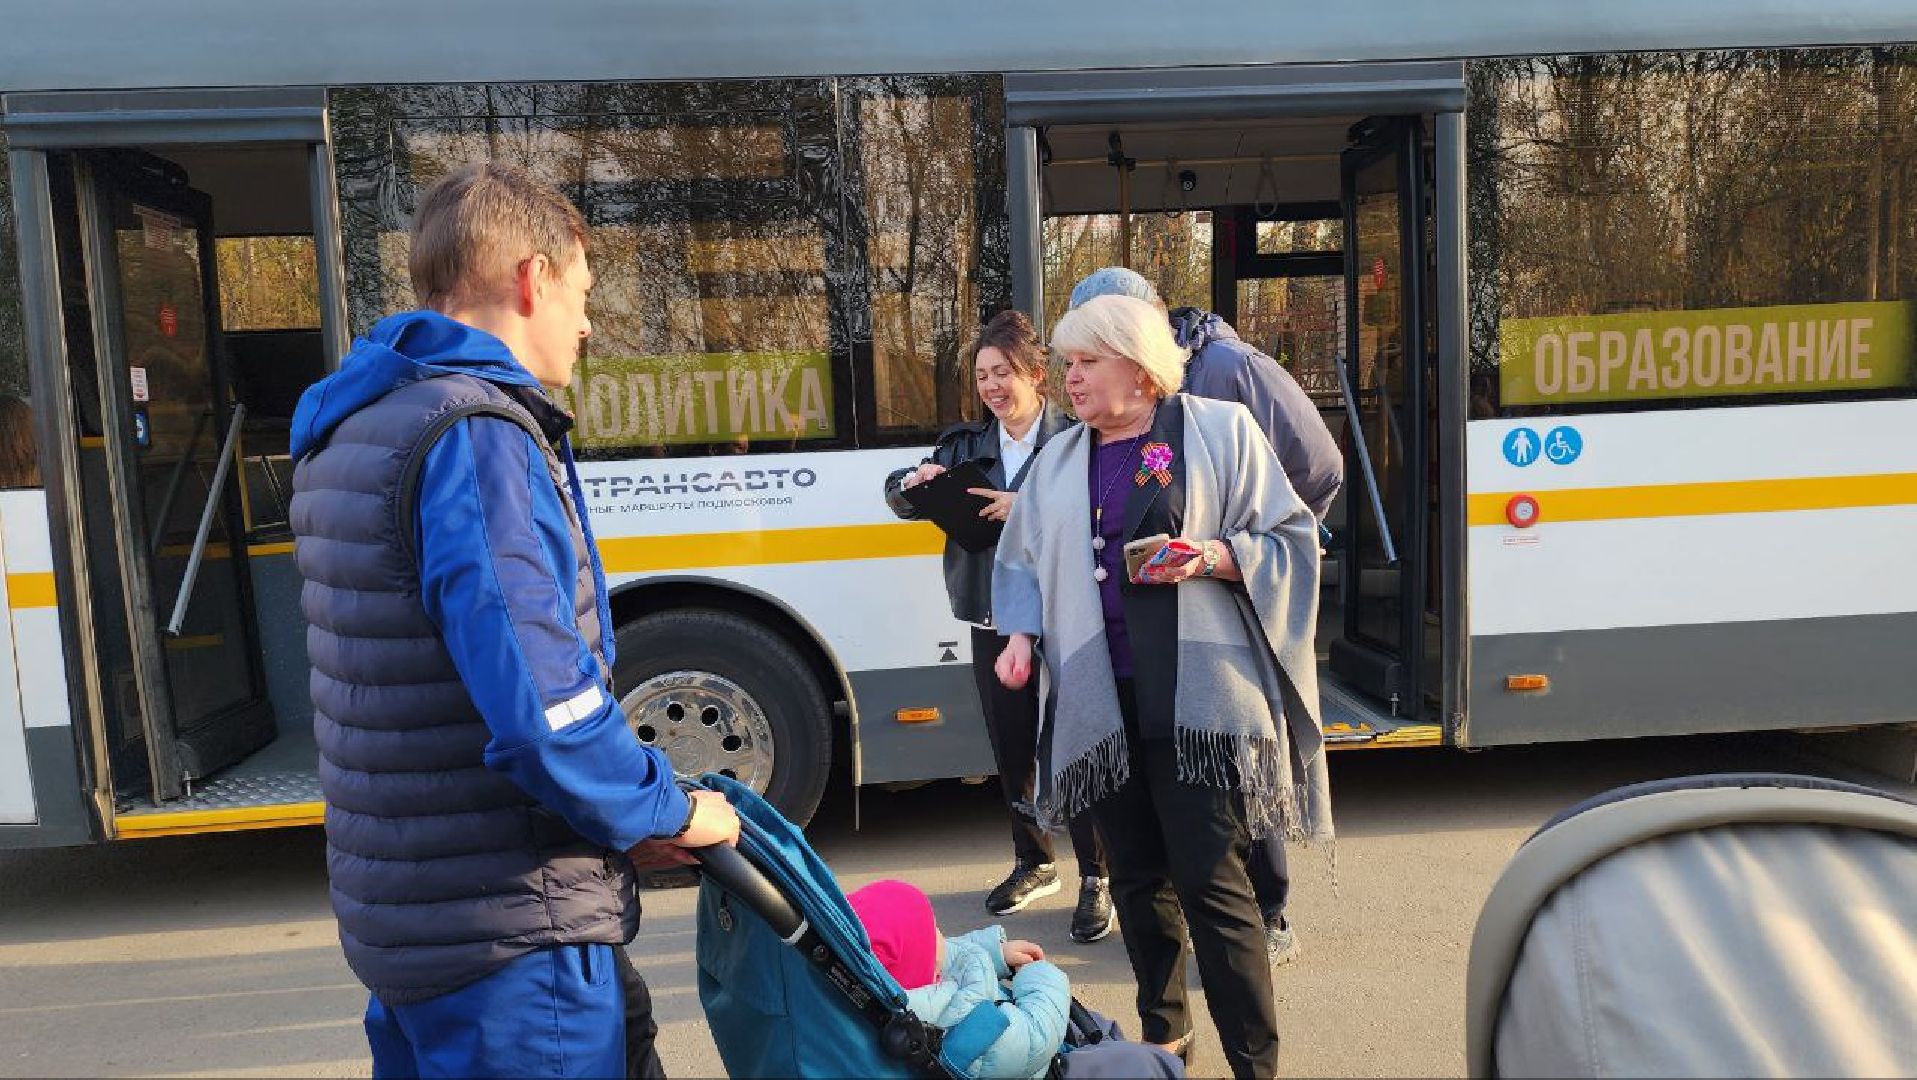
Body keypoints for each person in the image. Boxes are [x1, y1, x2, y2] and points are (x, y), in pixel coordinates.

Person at [289, 161, 742, 1079]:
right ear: (530, 278)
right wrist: (668, 805)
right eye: (580, 292)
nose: (585, 322)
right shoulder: (474, 436)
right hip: (511, 928)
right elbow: (549, 711)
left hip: (413, 920)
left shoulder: (357, 421)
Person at [991, 294, 1332, 1079]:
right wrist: (1019, 635)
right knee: (1139, 884)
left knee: (1213, 891)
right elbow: (1019, 559)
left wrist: (1213, 557)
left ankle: (1255, 1066)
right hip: (1100, 704)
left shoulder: (1219, 431)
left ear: (1140, 370)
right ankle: (1162, 1048)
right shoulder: (1060, 458)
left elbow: (1292, 537)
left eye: (1085, 363)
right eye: (1066, 363)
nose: (1068, 379)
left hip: (1198, 704)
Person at [1069, 266, 1339, 965]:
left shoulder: (1229, 370)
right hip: (1148, 640)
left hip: (1221, 623)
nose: (1077, 368)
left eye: (1093, 349)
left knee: (1239, 772)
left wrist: (1235, 551)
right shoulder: (1092, 420)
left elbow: (1316, 469)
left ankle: (1269, 913)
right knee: (1183, 817)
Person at [883, 311, 1113, 944]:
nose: (991, 386)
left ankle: (1099, 876)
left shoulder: (1078, 436)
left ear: (1036, 374)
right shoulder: (964, 445)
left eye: (1002, 372)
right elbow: (900, 498)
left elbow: (1104, 506)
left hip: (1070, 615)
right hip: (993, 613)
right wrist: (915, 484)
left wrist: (1028, 507)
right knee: (1013, 747)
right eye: (982, 375)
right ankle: (1035, 862)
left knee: (1079, 740)